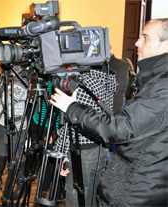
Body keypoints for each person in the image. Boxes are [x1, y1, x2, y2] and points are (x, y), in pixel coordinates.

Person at [50, 18, 168, 206]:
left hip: (136, 183)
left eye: (145, 37)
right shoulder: (118, 76)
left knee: (78, 198)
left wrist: (71, 109)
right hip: (119, 163)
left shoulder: (161, 85)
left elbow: (119, 127)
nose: (137, 42)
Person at [52, 68, 117, 207]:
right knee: (89, 197)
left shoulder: (80, 82)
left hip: (81, 151)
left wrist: (60, 152)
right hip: (97, 149)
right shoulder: (103, 78)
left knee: (76, 200)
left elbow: (72, 120)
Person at [0, 65, 29, 201]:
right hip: (1, 121)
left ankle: (21, 185)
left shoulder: (23, 78)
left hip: (16, 124)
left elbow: (10, 100)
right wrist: (4, 90)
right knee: (2, 151)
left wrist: (1, 90)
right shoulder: (4, 76)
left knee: (17, 155)